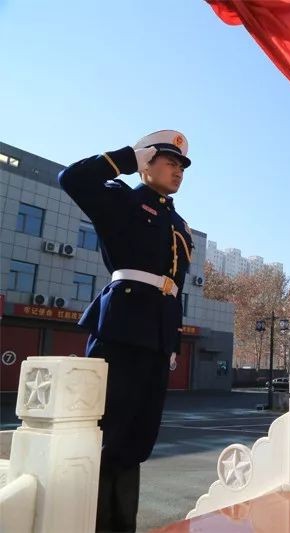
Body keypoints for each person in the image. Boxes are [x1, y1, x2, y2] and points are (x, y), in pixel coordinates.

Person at [58, 131, 193, 532]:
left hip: (157, 335)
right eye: (169, 162)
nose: (178, 171)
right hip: (123, 329)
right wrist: (127, 158)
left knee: (138, 440)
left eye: (182, 166)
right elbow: (72, 178)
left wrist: (171, 341)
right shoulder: (121, 200)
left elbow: (174, 285)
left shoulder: (178, 222)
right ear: (146, 164)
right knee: (109, 436)